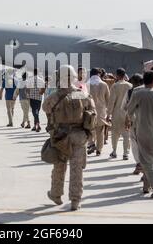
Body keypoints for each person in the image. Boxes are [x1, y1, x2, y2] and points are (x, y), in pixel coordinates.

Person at [43, 65, 96, 211]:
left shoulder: (54, 97)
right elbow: (92, 113)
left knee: (59, 165)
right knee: (77, 169)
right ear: (73, 77)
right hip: (79, 136)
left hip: (61, 136)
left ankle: (56, 194)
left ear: (59, 78)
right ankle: (75, 200)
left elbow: (46, 109)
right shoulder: (82, 94)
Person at [127, 71, 153, 199]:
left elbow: (129, 111)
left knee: (146, 160)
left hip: (142, 131)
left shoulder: (137, 93)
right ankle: (146, 186)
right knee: (150, 160)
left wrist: (132, 121)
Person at [108, 68, 132, 160]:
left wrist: (108, 113)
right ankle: (126, 153)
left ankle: (114, 151)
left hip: (116, 112)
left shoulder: (114, 86)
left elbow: (111, 101)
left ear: (117, 75)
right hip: (127, 113)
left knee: (115, 133)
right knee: (126, 134)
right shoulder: (130, 85)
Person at [122, 73, 144, 174]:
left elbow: (124, 107)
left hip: (134, 121)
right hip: (149, 122)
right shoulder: (151, 91)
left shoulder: (130, 92)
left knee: (135, 143)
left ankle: (139, 164)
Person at [87, 68, 110, 156]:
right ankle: (99, 149)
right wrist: (109, 112)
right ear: (99, 74)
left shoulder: (87, 84)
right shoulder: (104, 84)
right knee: (100, 130)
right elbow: (108, 99)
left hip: (89, 111)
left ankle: (91, 143)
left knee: (89, 129)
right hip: (101, 111)